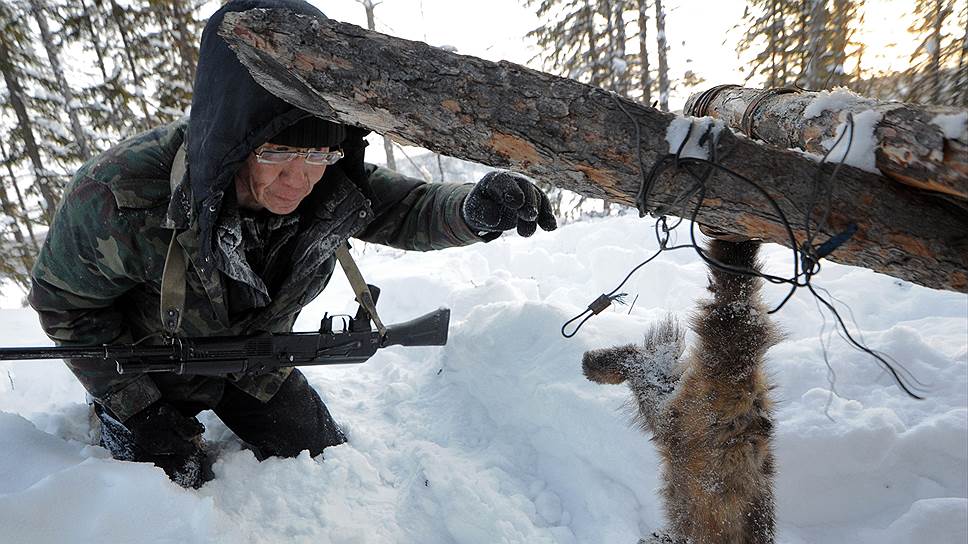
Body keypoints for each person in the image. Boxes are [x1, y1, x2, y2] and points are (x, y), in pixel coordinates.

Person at [28, 0, 555, 488]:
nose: (299, 181)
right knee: (170, 489)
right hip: (149, 368)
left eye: (319, 157)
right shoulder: (120, 197)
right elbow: (65, 306)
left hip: (256, 364)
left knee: (323, 462)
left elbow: (406, 208)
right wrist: (132, 402)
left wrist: (475, 209)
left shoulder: (328, 177)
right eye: (277, 153)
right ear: (234, 143)